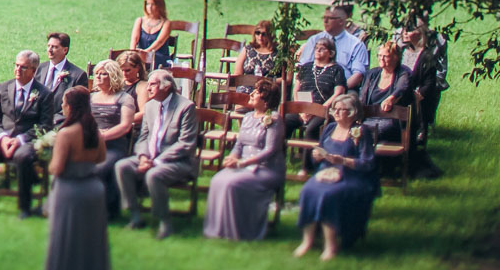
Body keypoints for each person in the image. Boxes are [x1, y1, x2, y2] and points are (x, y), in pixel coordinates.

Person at [36, 87, 111, 270]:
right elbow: (101, 158)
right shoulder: (95, 132)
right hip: (93, 190)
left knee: (66, 239)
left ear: (71, 106)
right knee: (90, 241)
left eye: (64, 102)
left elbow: (57, 169)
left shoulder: (66, 134)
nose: (61, 106)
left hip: (70, 191)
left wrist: (46, 161)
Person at [115, 69, 198, 240]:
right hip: (150, 157)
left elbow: (186, 143)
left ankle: (164, 221)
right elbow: (143, 136)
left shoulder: (186, 107)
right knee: (122, 166)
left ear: (166, 87)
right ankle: (135, 215)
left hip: (178, 161)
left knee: (154, 175)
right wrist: (144, 157)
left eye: (152, 84)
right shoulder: (151, 106)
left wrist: (156, 161)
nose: (148, 88)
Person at [295, 93, 379, 260]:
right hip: (326, 173)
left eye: (343, 110)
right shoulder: (330, 128)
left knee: (329, 195)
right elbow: (317, 153)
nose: (338, 112)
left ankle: (331, 245)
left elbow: (367, 163)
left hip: (352, 176)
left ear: (354, 112)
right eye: (336, 109)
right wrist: (316, 156)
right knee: (308, 190)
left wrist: (343, 161)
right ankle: (308, 240)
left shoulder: (361, 132)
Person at [203, 78, 285, 241]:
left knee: (232, 183)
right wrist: (232, 156)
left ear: (266, 99)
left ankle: (239, 230)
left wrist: (243, 163)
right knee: (218, 180)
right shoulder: (247, 117)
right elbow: (239, 144)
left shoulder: (274, 119)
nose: (252, 93)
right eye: (253, 90)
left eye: (257, 91)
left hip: (266, 168)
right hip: (243, 165)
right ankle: (219, 229)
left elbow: (270, 150)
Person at [0, 50, 50, 218]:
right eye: (16, 65)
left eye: (23, 67)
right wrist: (3, 138)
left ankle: (25, 206)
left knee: (23, 157)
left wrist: (19, 140)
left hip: (27, 141)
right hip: (2, 138)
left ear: (34, 71)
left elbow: (45, 125)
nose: (18, 70)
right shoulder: (3, 88)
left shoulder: (44, 94)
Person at [88, 61, 139, 219]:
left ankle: (104, 209)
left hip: (114, 145)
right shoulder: (91, 97)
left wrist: (104, 136)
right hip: (92, 143)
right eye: (97, 74)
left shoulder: (125, 99)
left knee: (98, 169)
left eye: (104, 74)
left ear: (113, 76)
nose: (99, 77)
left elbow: (125, 126)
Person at [400, 15, 448, 179]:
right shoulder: (400, 51)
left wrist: (417, 95)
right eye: (405, 29)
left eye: (410, 30)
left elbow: (430, 81)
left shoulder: (427, 56)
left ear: (420, 33)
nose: (405, 33)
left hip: (418, 96)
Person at [297, 5, 370, 87]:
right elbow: (303, 69)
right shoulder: (314, 40)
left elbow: (358, 75)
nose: (325, 21)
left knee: (346, 100)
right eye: (324, 17)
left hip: (344, 89)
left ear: (341, 21)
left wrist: (340, 89)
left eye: (330, 18)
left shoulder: (356, 44)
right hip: (313, 87)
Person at [358, 41, 412, 146]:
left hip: (391, 119)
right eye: (379, 55)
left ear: (395, 57)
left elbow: (402, 87)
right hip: (370, 118)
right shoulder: (373, 73)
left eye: (385, 56)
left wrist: (391, 98)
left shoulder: (403, 72)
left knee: (372, 133)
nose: (381, 59)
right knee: (355, 131)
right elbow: (363, 96)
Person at [37, 32, 88, 126]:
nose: (50, 50)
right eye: (48, 46)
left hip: (60, 124)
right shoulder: (39, 69)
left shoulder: (78, 75)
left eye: (55, 47)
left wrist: (51, 120)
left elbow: (76, 106)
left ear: (65, 50)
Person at [130, 0, 177, 69]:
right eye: (148, 4)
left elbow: (159, 42)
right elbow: (134, 39)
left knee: (151, 61)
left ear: (160, 6)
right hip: (140, 56)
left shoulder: (166, 23)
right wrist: (132, 52)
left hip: (159, 57)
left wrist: (146, 53)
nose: (150, 7)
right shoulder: (140, 20)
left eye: (153, 4)